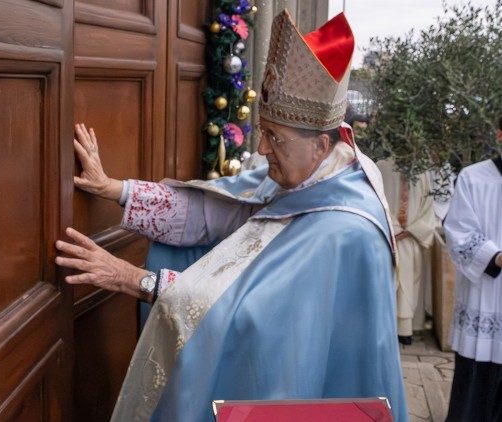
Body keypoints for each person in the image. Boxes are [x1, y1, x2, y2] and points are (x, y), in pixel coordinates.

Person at [56, 10, 407, 421]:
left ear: (323, 144)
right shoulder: (304, 174)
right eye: (263, 130)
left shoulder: (343, 231)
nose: (262, 148)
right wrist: (113, 188)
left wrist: (131, 278)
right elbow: (209, 214)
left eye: (275, 137)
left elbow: (247, 317)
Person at [444, 117, 502, 422]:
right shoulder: (473, 178)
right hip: (486, 294)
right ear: (499, 135)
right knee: (475, 389)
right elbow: (458, 232)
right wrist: (497, 257)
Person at [376, 159, 436, 344]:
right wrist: (393, 228)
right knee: (386, 283)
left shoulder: (423, 170)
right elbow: (375, 200)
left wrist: (411, 228)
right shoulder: (380, 167)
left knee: (409, 283)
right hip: (387, 239)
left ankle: (406, 330)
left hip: (411, 239)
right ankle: (386, 329)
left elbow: (428, 207)